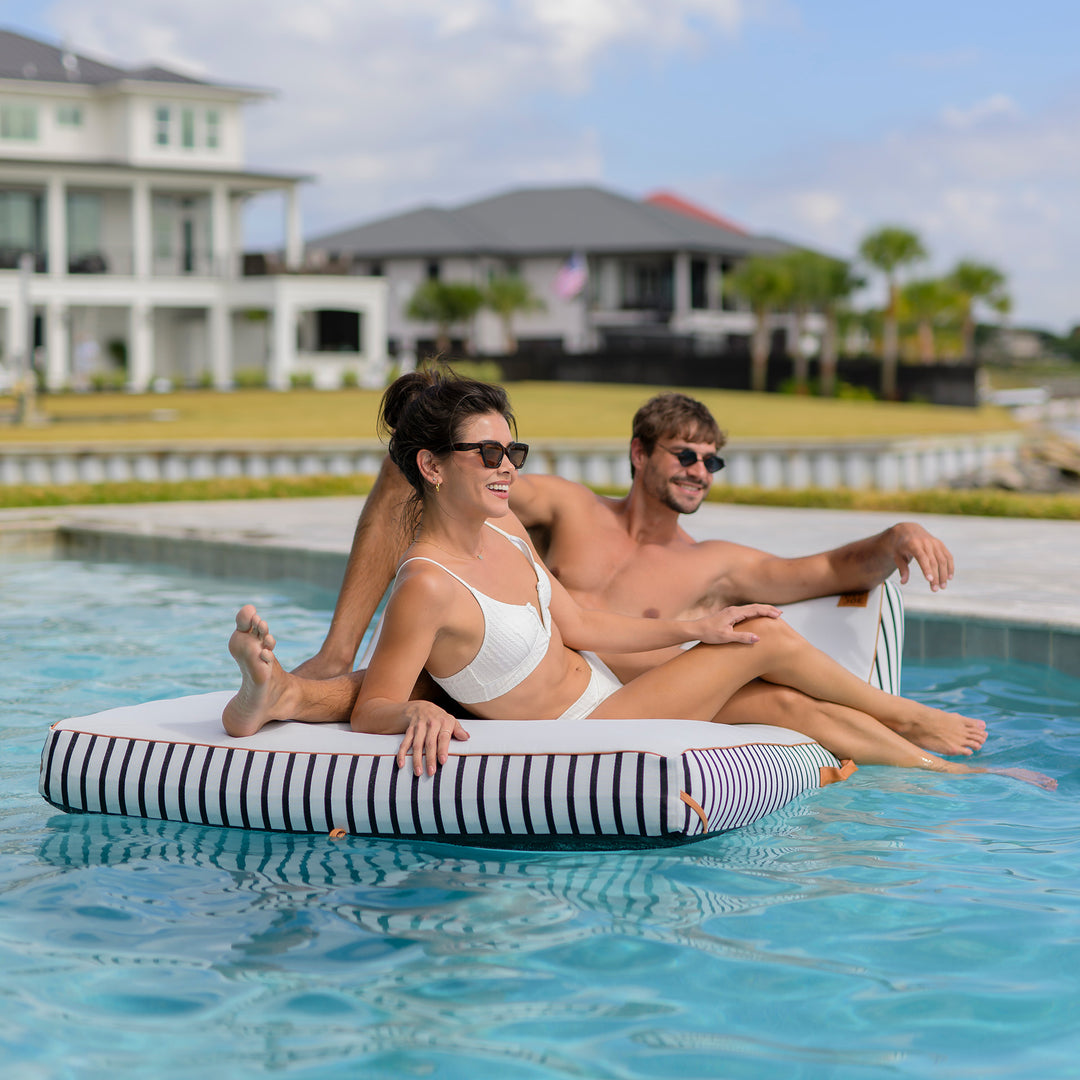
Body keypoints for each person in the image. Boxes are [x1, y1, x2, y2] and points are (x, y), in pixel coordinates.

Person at [224, 369, 1050, 789]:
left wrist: (695, 627)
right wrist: (360, 669)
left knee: (788, 696)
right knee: (760, 635)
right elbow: (381, 701)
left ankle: (945, 778)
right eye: (491, 455)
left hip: (599, 691)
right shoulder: (452, 570)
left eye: (516, 453)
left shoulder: (513, 538)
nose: (509, 468)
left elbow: (580, 625)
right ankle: (915, 719)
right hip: (581, 729)